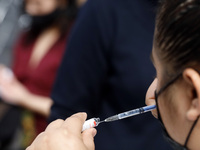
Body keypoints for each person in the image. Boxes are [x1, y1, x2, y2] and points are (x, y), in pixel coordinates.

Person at [27, 0, 200, 150]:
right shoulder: (105, 10)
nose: (150, 96)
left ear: (193, 93)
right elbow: (66, 108)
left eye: (160, 76)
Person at [0, 0, 77, 148]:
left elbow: (74, 109)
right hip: (13, 132)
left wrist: (24, 98)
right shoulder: (28, 35)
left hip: (47, 137)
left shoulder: (75, 40)